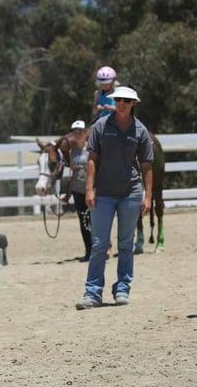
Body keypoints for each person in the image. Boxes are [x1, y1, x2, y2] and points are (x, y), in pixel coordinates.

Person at [76, 86, 153, 310]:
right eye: (118, 99)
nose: (121, 103)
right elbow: (92, 159)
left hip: (131, 192)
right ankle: (92, 293)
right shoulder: (101, 126)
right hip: (104, 193)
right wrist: (89, 189)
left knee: (126, 244)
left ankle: (122, 289)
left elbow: (147, 165)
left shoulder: (140, 131)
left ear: (133, 104)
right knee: (99, 244)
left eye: (126, 101)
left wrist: (147, 196)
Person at [60, 120, 92, 261]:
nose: (77, 134)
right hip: (78, 191)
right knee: (83, 222)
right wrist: (68, 194)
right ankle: (88, 251)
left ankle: (99, 250)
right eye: (75, 132)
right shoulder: (72, 153)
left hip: (91, 190)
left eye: (80, 131)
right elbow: (72, 174)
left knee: (94, 221)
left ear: (85, 133)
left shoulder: (91, 150)